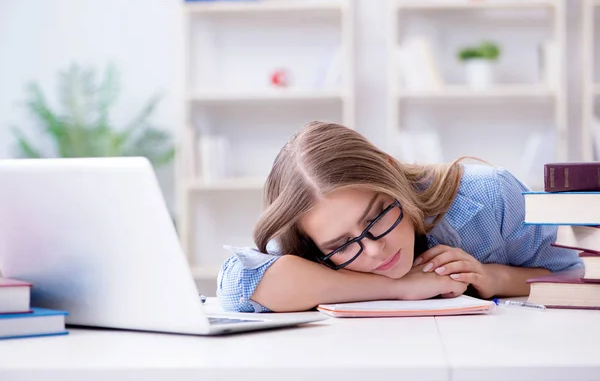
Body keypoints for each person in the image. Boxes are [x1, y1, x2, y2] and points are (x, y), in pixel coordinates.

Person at [217, 121, 581, 313]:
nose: (375, 252)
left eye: (376, 219)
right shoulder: (309, 235)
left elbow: (576, 279)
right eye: (343, 245)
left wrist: (493, 276)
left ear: (390, 172)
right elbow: (238, 287)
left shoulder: (491, 196)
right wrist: (398, 286)